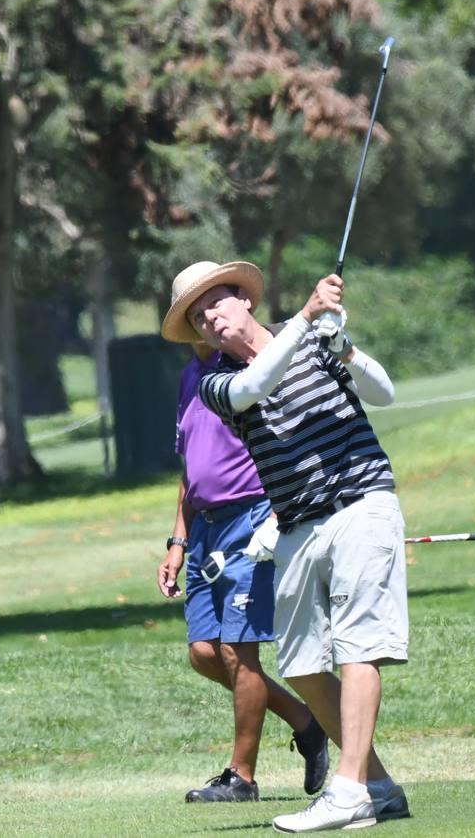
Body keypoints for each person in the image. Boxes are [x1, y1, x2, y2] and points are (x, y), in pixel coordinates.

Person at [162, 260, 411, 832]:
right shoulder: (215, 383)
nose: (211, 320)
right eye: (199, 318)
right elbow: (255, 386)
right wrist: (305, 318)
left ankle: (347, 789)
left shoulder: (313, 340)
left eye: (217, 304)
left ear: (245, 301)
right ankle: (377, 784)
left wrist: (344, 347)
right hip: (297, 524)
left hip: (359, 501)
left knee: (356, 647)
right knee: (300, 664)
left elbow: (385, 393)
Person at [157, 332, 330, 805]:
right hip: (205, 531)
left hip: (250, 520)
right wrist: (178, 540)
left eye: (208, 311)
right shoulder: (190, 377)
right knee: (204, 654)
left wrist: (279, 513)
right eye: (192, 314)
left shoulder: (240, 368)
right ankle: (306, 720)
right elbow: (190, 469)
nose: (203, 321)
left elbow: (284, 442)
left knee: (237, 652)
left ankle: (242, 778)